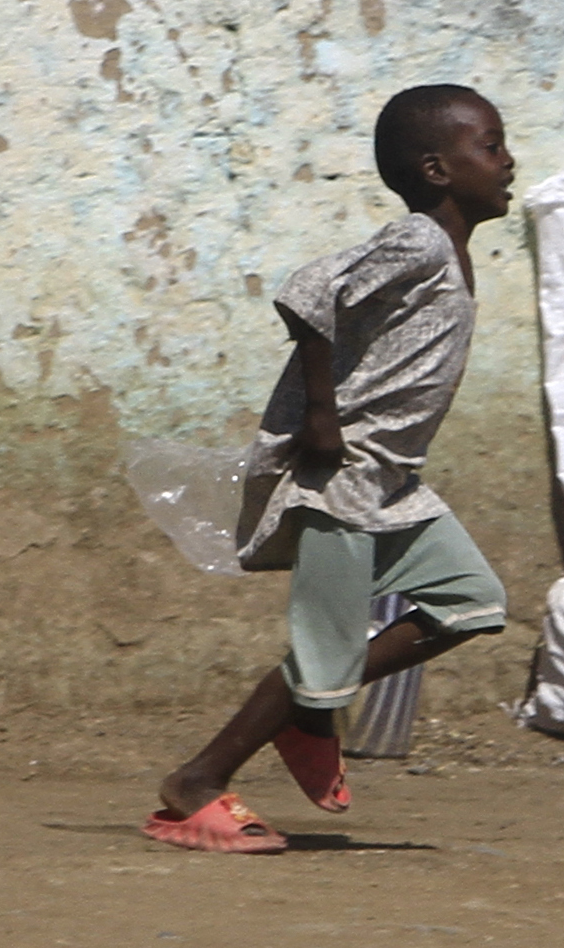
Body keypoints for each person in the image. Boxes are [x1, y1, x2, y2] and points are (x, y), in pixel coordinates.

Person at [145, 82, 516, 852]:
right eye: (491, 145)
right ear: (437, 170)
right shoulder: (420, 242)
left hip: (391, 485)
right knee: (327, 652)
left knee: (473, 603)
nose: (509, 160)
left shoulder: (448, 256)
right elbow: (307, 291)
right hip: (343, 479)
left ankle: (315, 709)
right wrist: (321, 413)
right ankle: (196, 784)